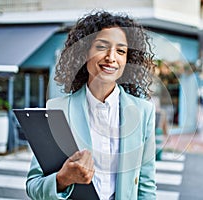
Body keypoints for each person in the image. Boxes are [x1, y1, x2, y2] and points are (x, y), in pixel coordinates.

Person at [26, 10, 157, 200]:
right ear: (84, 52)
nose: (111, 57)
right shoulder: (57, 110)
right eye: (102, 47)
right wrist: (63, 179)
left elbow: (146, 186)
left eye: (121, 51)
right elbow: (33, 186)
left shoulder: (144, 112)